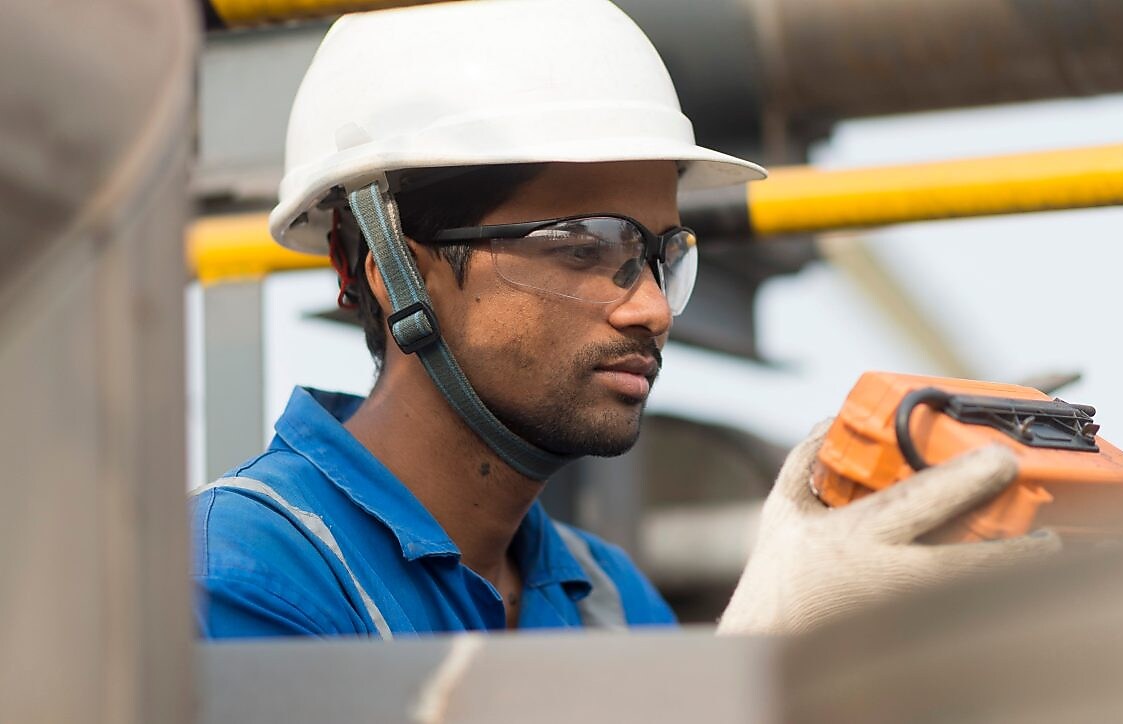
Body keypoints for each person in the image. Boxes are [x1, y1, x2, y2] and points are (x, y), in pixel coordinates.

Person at [191, 0, 1060, 639]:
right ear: (393, 271)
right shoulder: (240, 574)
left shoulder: (604, 595)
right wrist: (755, 658)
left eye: (659, 253)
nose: (649, 307)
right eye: (582, 246)